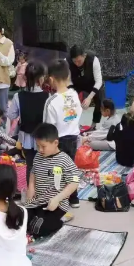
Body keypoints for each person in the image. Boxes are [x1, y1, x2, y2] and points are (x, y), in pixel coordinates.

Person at [25, 123, 80, 237]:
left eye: (43, 146)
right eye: (38, 146)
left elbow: (74, 182)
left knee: (39, 229)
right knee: (22, 222)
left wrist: (57, 199)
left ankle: (62, 219)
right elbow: (33, 172)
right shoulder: (38, 156)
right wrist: (31, 187)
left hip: (56, 204)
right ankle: (38, 217)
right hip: (38, 202)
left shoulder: (64, 160)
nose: (40, 149)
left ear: (55, 143)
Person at [43, 60, 83, 208]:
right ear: (68, 76)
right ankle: (74, 197)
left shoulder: (52, 101)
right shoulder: (74, 94)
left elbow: (48, 127)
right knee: (71, 167)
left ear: (51, 79)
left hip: (57, 140)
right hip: (73, 137)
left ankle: (57, 199)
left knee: (57, 170)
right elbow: (78, 113)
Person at [7, 60, 49, 178]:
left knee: (30, 165)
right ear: (41, 78)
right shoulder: (48, 96)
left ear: (25, 77)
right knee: (44, 166)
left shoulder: (18, 96)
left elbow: (11, 115)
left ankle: (30, 188)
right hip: (43, 137)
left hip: (26, 138)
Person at [67, 45, 104, 129]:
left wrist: (89, 98)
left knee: (99, 98)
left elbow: (99, 81)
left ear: (84, 55)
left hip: (92, 83)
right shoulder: (67, 61)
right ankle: (74, 124)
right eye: (75, 61)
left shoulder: (94, 60)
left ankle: (94, 124)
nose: (77, 64)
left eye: (79, 61)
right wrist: (73, 94)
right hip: (76, 83)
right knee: (70, 99)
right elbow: (68, 81)